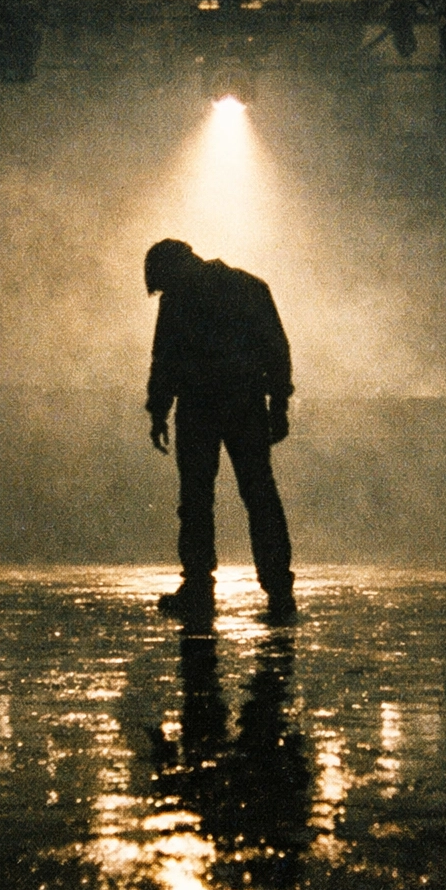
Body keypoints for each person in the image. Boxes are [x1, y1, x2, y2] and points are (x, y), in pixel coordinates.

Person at [143, 239, 297, 623]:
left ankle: (198, 587)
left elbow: (165, 359)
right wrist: (278, 405)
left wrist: (159, 410)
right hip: (245, 404)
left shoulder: (176, 300)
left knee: (196, 500)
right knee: (260, 496)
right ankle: (279, 590)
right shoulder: (249, 287)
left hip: (197, 408)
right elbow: (276, 349)